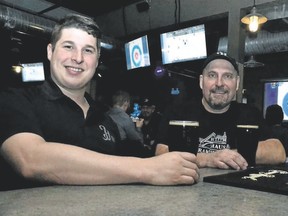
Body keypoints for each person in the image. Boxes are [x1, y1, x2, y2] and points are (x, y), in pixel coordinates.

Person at [0, 14, 199, 191]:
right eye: (68, 46)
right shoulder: (15, 100)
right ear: (50, 51)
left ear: (96, 61)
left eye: (88, 50)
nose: (77, 58)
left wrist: (203, 159)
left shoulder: (106, 118)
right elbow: (30, 160)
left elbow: (148, 160)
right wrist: (147, 170)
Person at [156, 52, 286, 170]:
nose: (219, 83)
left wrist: (228, 156)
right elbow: (161, 152)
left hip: (238, 191)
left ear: (237, 83)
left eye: (228, 76)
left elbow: (278, 151)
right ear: (202, 81)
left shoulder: (249, 114)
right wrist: (208, 159)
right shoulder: (178, 112)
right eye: (212, 75)